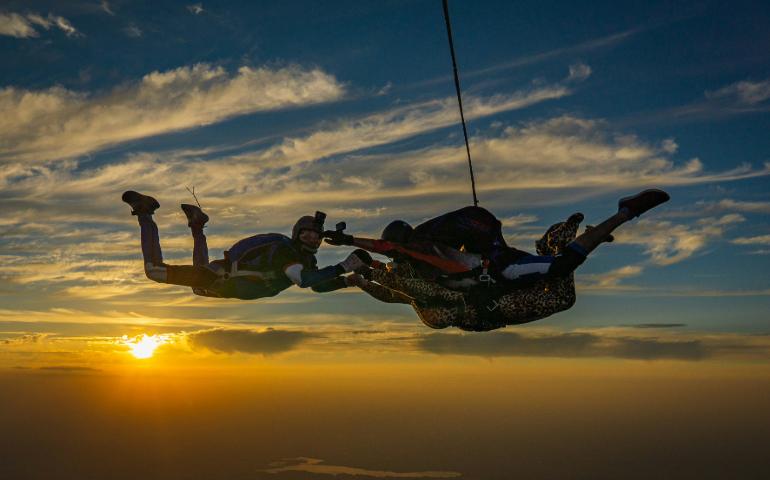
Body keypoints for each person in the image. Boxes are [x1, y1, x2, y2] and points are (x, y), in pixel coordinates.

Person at [329, 189, 670, 330]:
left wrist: (360, 268)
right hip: (495, 306)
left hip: (498, 286)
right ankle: (557, 242)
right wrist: (358, 278)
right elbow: (392, 290)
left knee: (561, 269)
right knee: (562, 296)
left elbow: (393, 275)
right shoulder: (413, 280)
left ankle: (623, 214)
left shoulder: (425, 262)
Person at [121, 191, 368, 300]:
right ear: (297, 234)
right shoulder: (286, 252)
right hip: (222, 278)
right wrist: (344, 266)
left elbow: (317, 286)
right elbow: (303, 280)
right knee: (153, 271)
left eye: (316, 236)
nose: (313, 239)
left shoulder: (307, 260)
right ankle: (145, 212)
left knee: (198, 286)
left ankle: (198, 225)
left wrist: (347, 281)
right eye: (307, 235)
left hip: (224, 284)